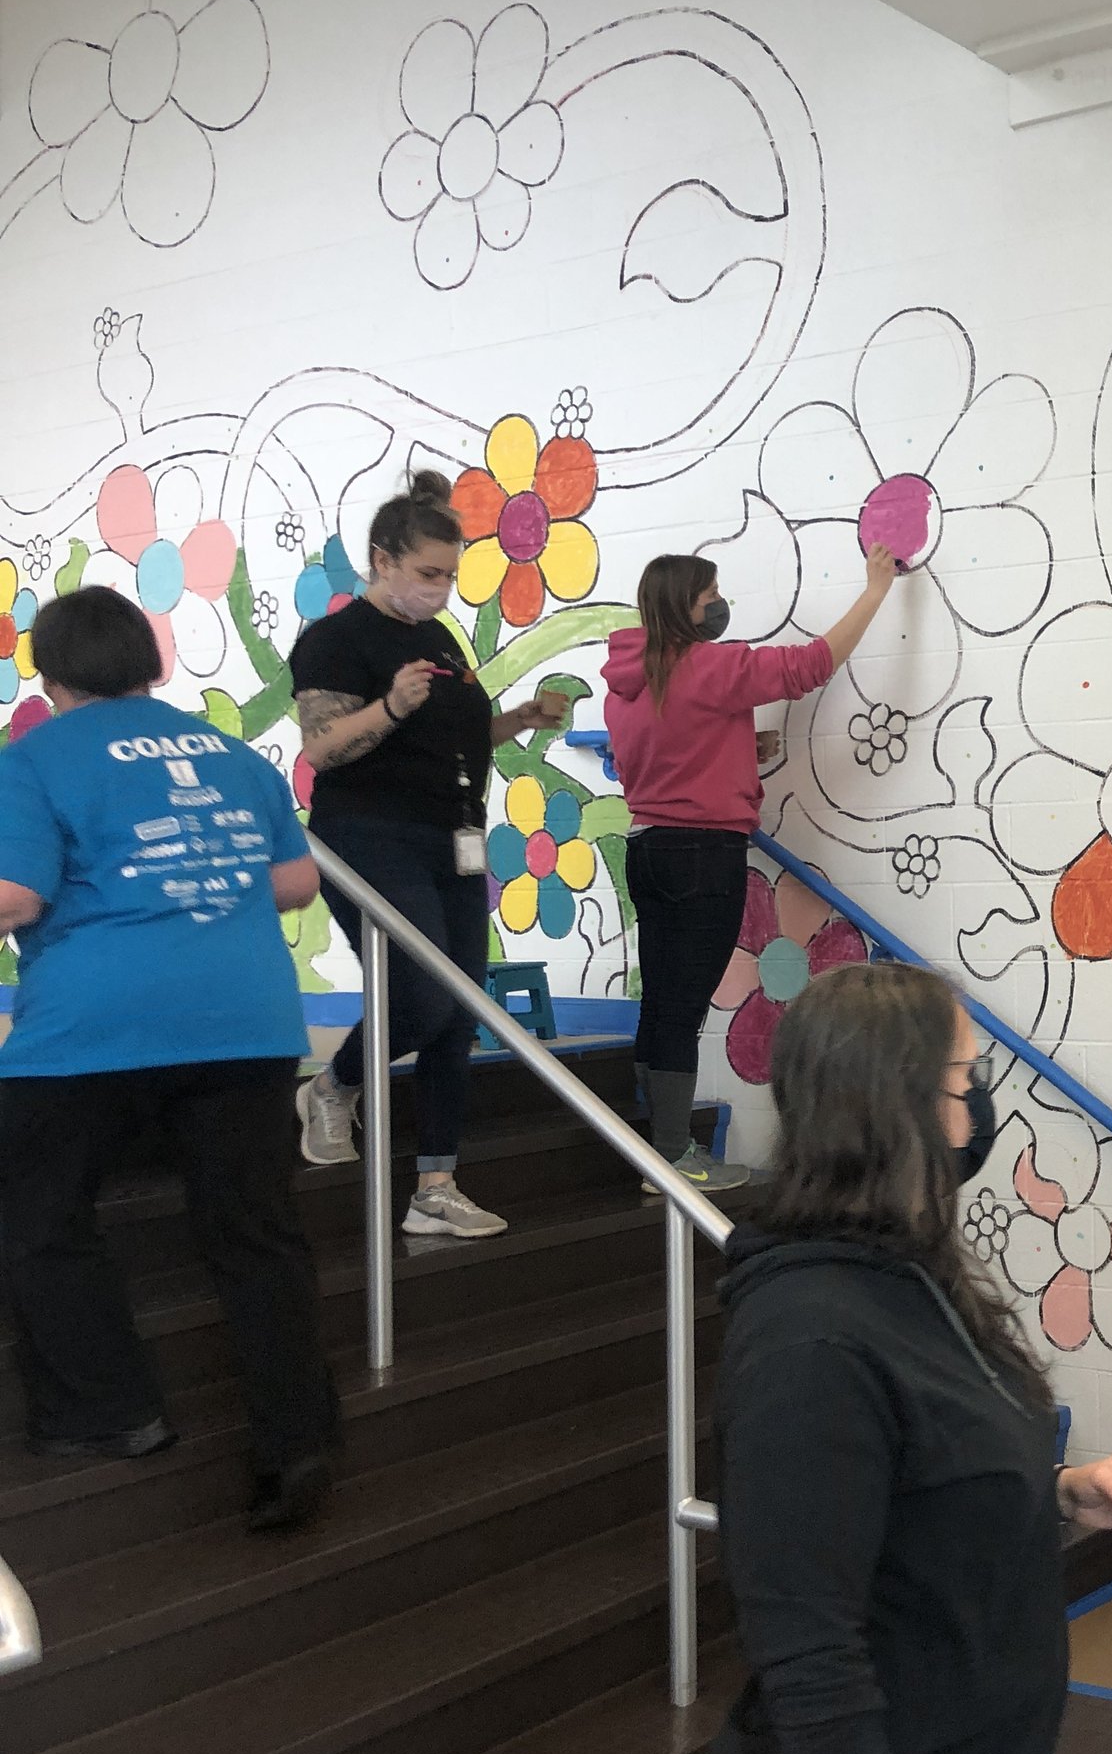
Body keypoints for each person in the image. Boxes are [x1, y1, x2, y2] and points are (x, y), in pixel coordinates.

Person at [707, 961, 1112, 1754]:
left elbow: (919, 1479)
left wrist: (1062, 1490)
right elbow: (814, 1666)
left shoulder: (905, 1268)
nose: (980, 1106)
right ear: (900, 1105)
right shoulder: (809, 1345)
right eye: (968, 1078)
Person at [0, 588, 338, 1529]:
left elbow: (17, 897)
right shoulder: (231, 753)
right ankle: (297, 1440)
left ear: (50, 674)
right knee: (256, 1234)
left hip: (93, 1032)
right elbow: (295, 882)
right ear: (148, 663)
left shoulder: (34, 760)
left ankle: (110, 1410)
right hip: (247, 1023)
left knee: (37, 1210)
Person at [288, 471, 572, 1240]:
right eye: (427, 573)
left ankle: (436, 1185)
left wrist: (518, 718)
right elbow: (322, 747)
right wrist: (388, 706)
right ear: (382, 561)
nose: (441, 589)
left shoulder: (439, 639)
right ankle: (335, 1084)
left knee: (459, 1009)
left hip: (453, 836)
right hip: (369, 835)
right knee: (421, 995)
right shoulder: (335, 640)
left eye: (449, 574)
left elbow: (453, 738)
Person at [601, 544, 898, 1194]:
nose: (719, 605)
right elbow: (811, 665)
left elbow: (658, 756)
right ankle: (672, 1156)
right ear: (684, 605)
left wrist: (737, 746)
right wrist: (877, 589)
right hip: (703, 855)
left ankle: (654, 1143)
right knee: (684, 1007)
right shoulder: (711, 665)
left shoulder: (626, 684)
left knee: (662, 997)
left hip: (648, 848)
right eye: (710, 595)